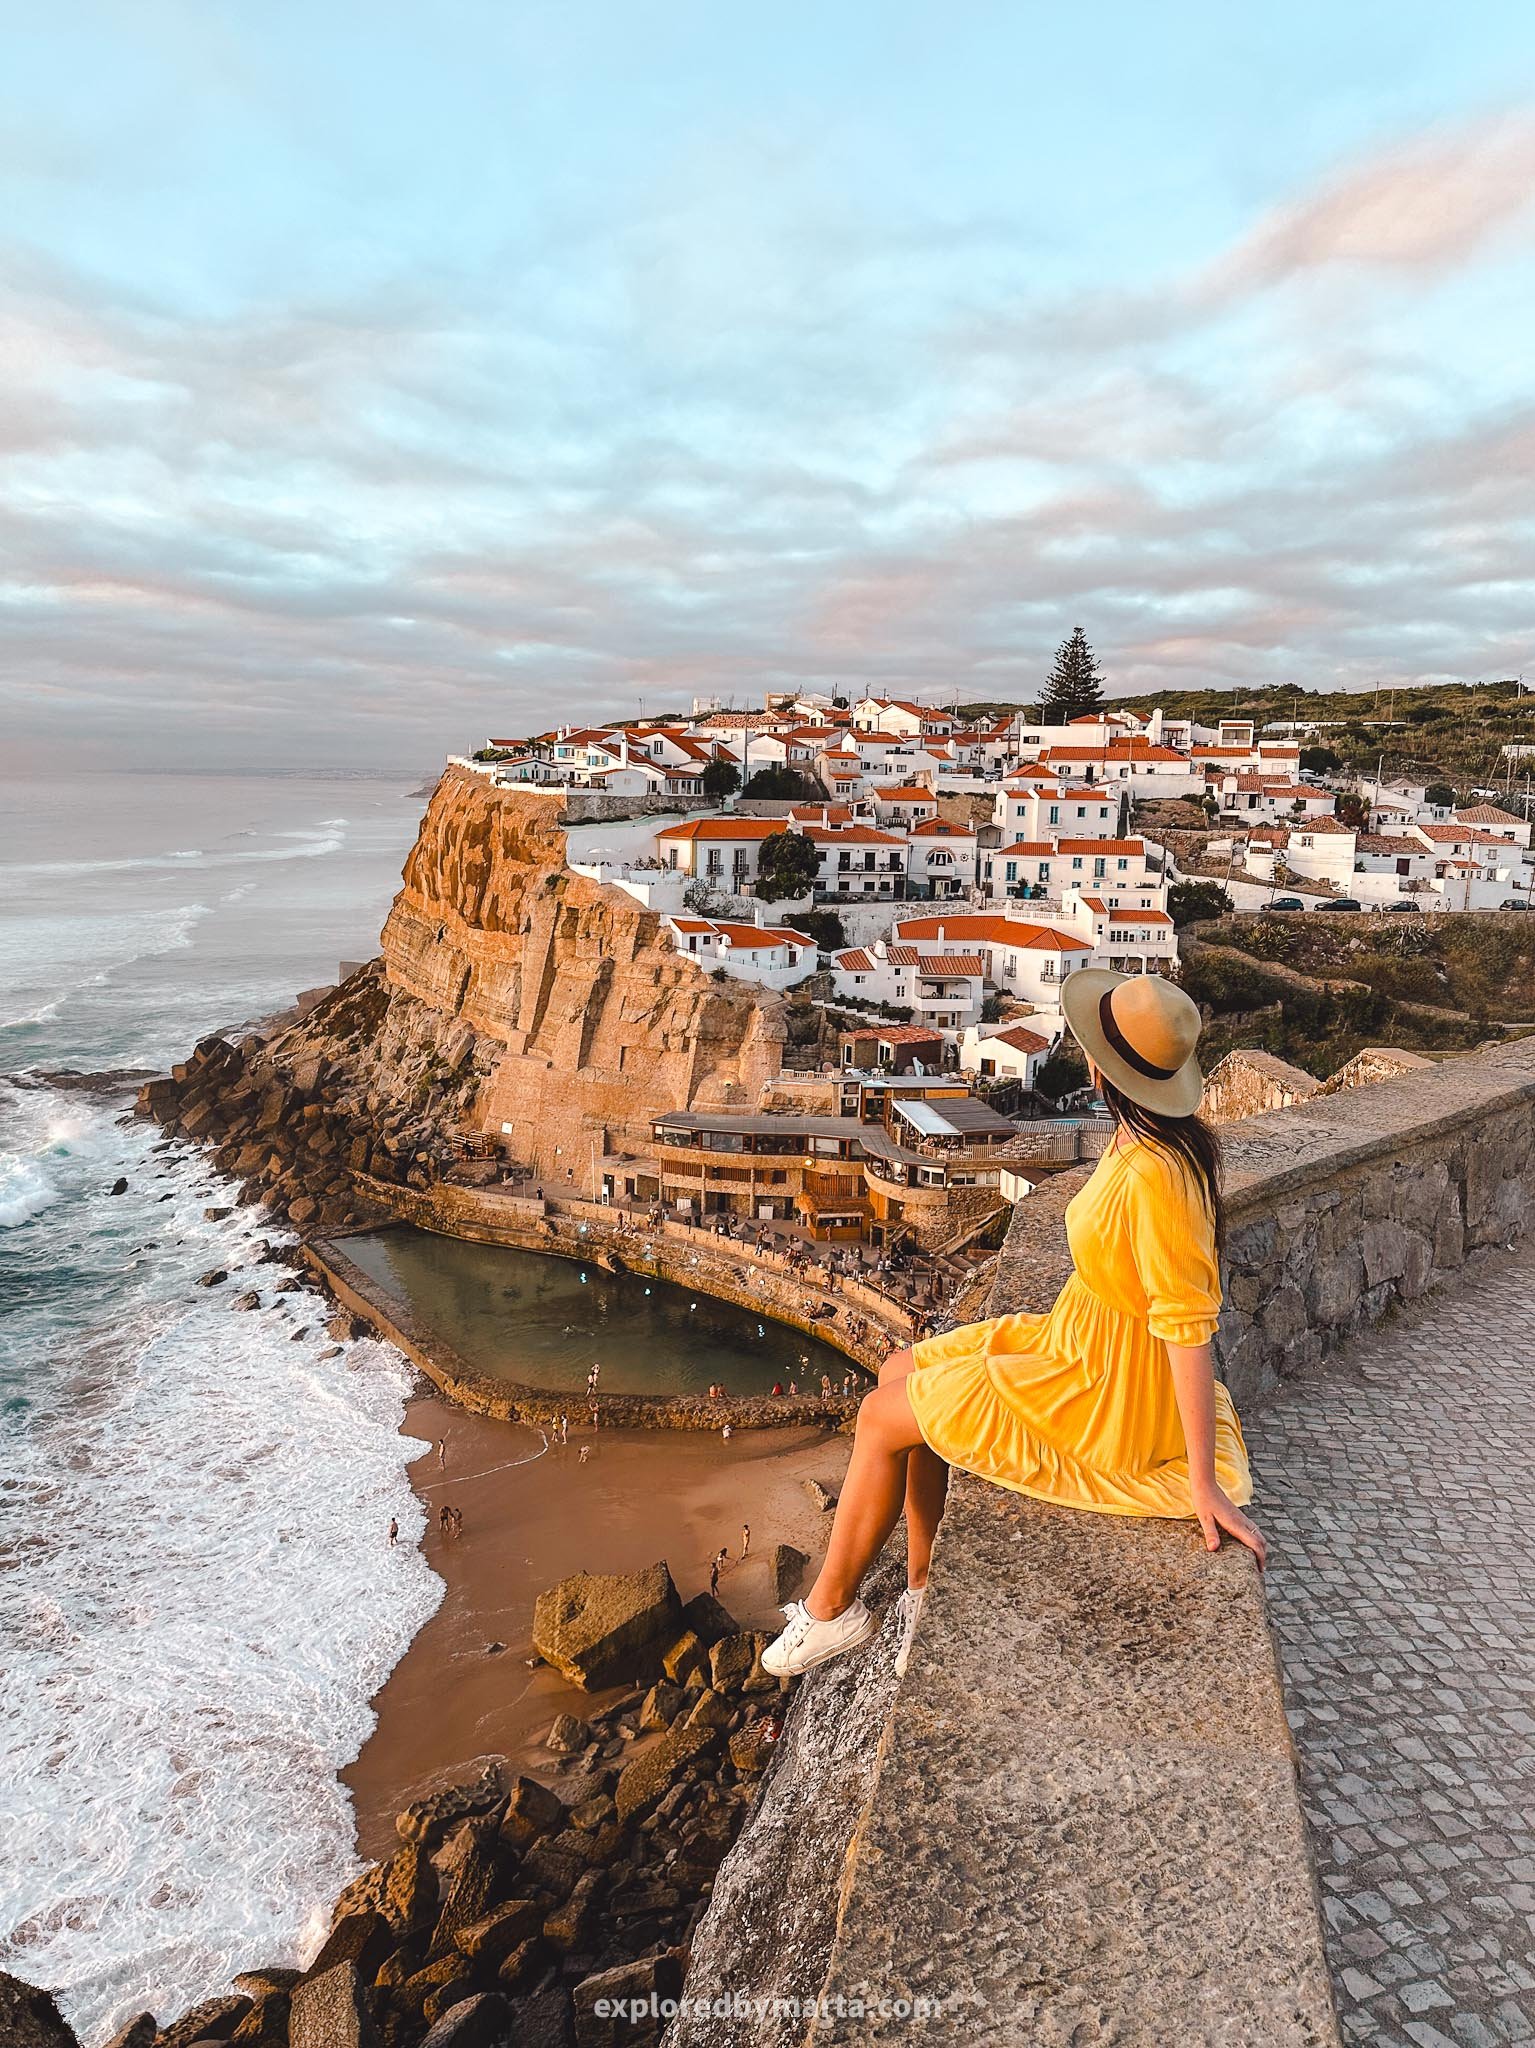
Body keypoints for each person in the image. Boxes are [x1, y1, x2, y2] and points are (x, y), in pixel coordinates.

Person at [763, 971, 1265, 1686]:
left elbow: (1188, 1328)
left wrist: (1201, 1482)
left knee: (881, 1418)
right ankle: (921, 1584)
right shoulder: (1144, 1135)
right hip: (1075, 1335)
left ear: (1101, 1067)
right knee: (900, 1369)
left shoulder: (1158, 1172)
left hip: (1107, 1387)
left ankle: (832, 1609)